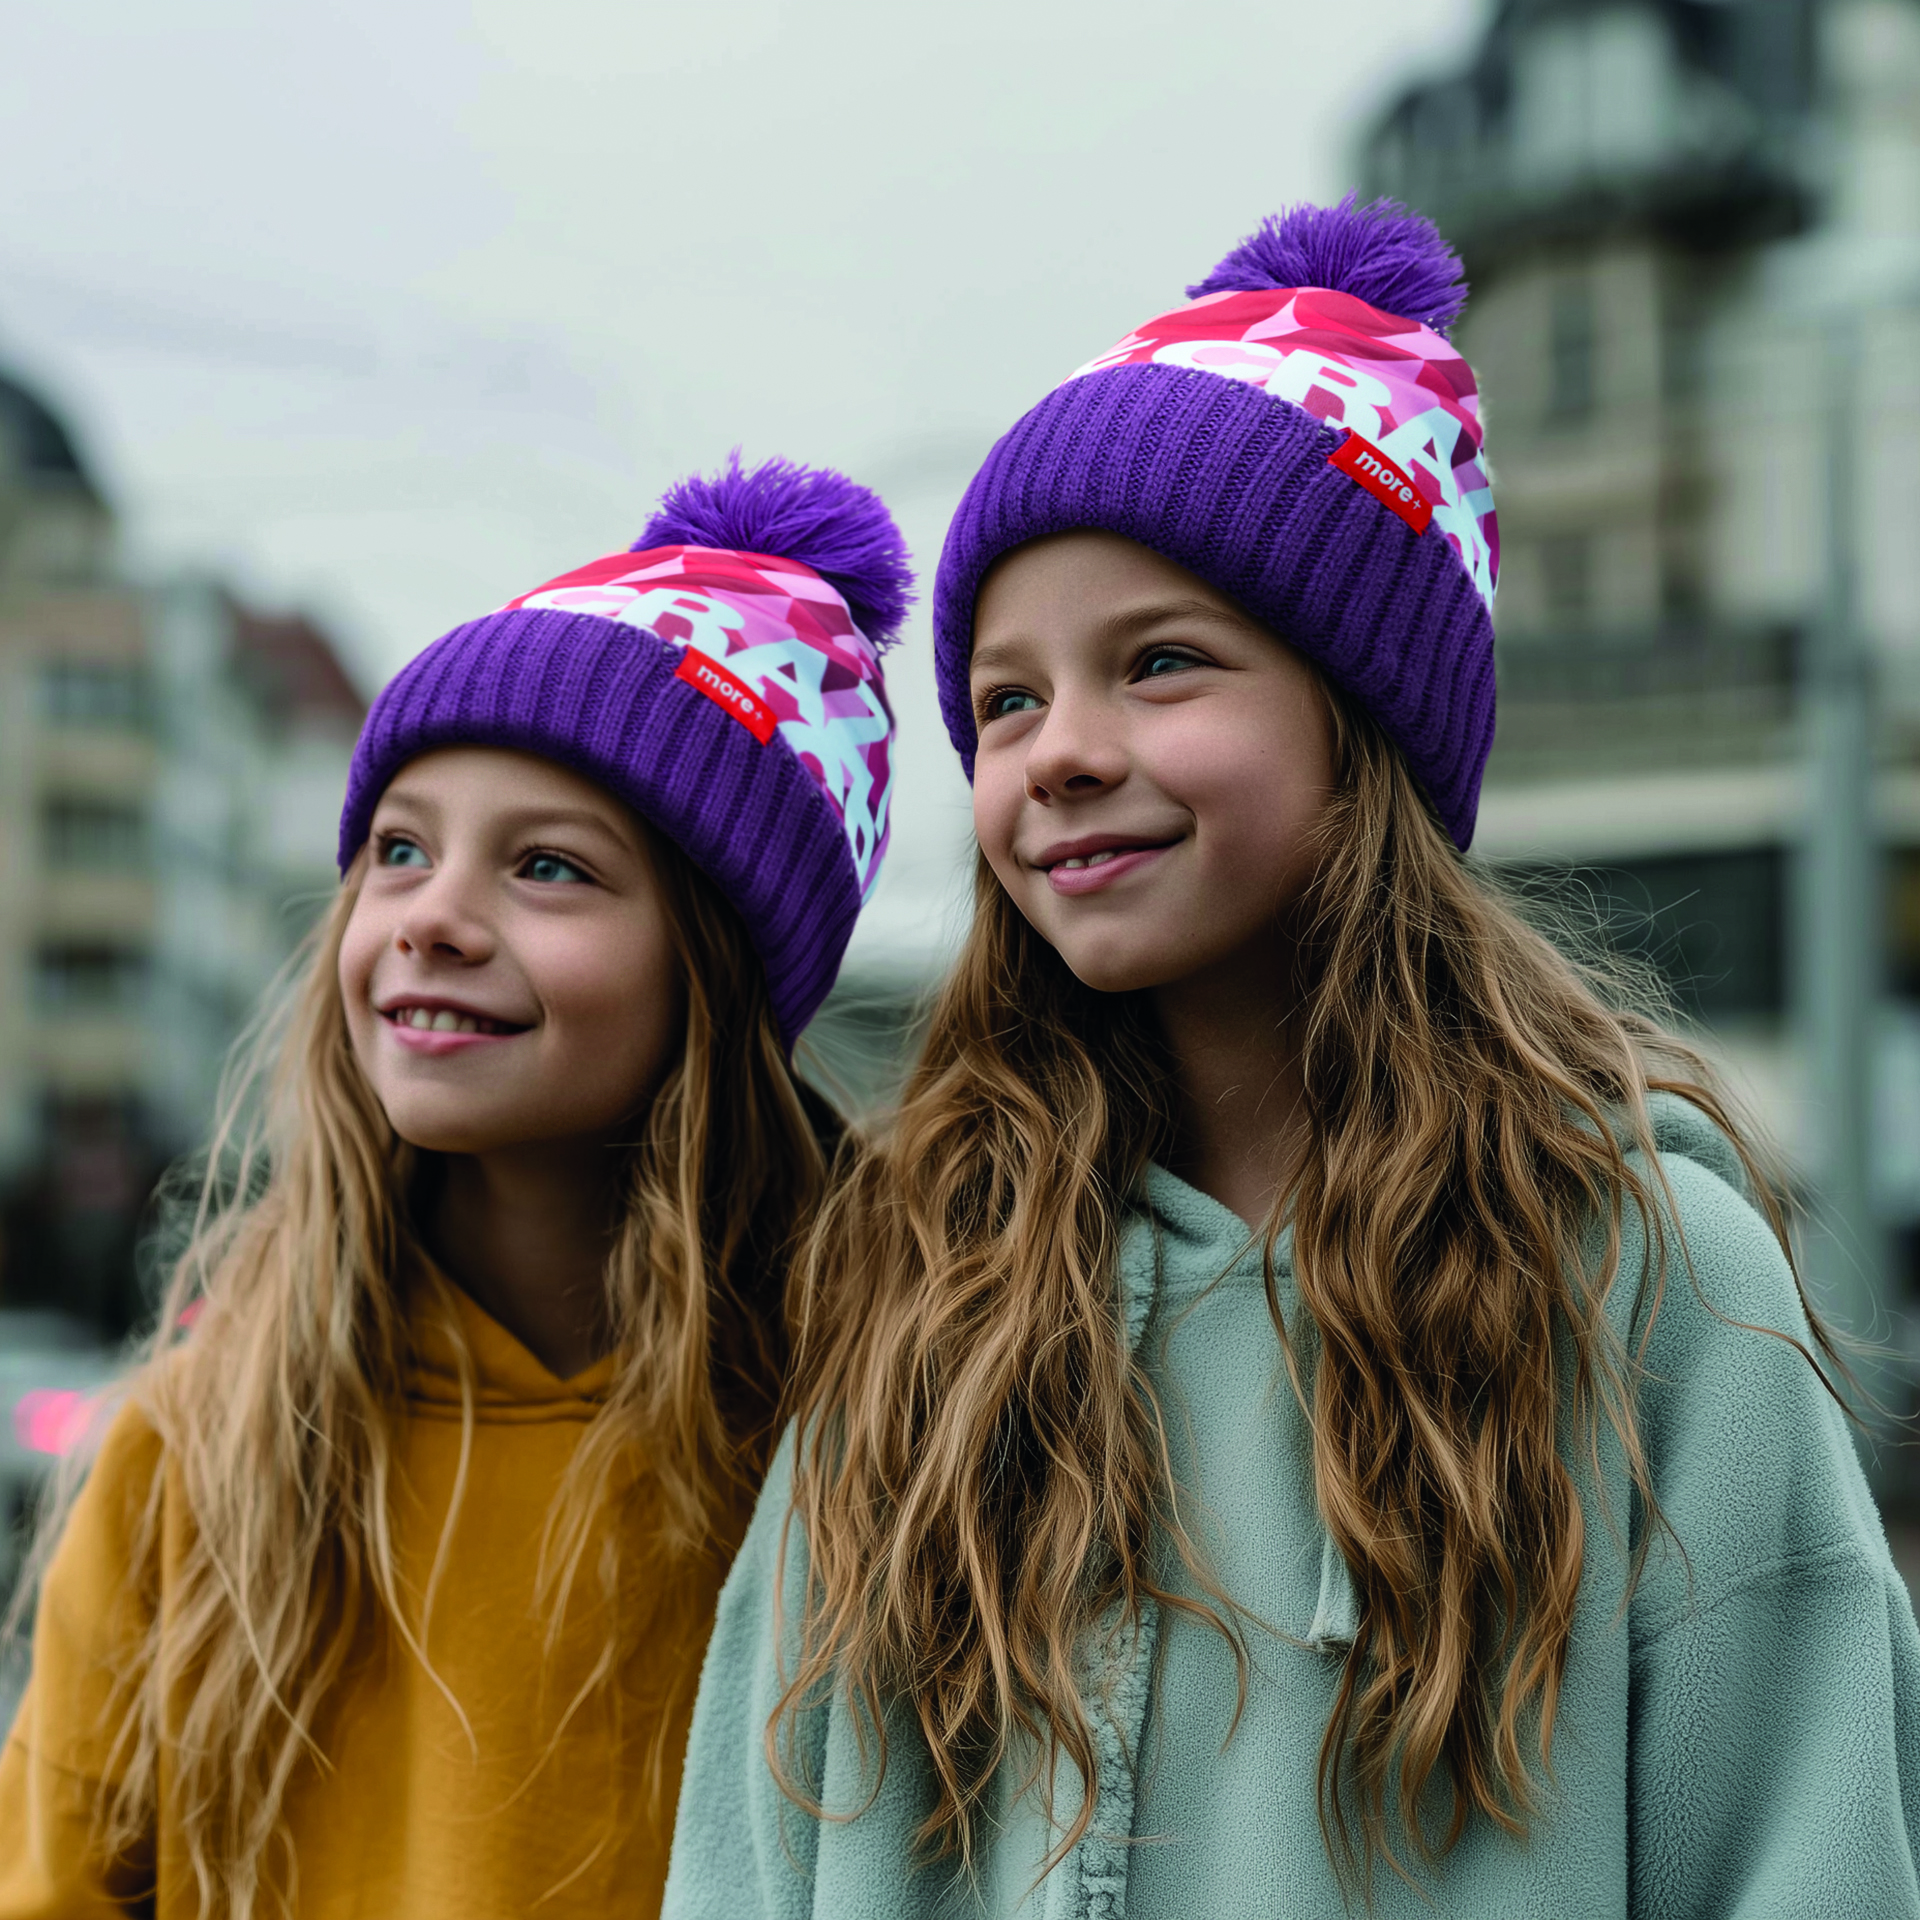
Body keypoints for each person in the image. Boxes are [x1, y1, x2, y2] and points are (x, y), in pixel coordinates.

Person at [662, 202, 1920, 1918]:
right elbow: (752, 1851)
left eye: (1162, 664)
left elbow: (1805, 1852)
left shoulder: (1642, 1282)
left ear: (1366, 722)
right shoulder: (916, 1290)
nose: (1062, 755)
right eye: (1007, 701)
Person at [0, 453, 911, 1919]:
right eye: (401, 850)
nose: (432, 918)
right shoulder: (204, 1451)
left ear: (718, 975)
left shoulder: (883, 1432)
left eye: (548, 867)